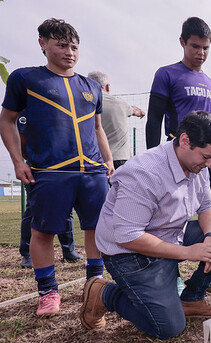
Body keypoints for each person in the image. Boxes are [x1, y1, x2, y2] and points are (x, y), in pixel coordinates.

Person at [81, 111, 211, 339]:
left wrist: (210, 237)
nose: (210, 164)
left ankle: (192, 299)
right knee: (168, 328)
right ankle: (104, 294)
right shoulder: (144, 173)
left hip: (170, 237)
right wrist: (188, 252)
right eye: (206, 156)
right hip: (129, 253)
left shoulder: (197, 166)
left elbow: (207, 205)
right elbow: (128, 236)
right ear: (185, 141)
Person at [0, 18, 114, 316]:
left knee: (96, 229)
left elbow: (98, 127)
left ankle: (95, 285)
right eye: (61, 45)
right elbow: (7, 119)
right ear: (43, 44)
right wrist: (17, 161)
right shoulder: (25, 79)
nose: (70, 52)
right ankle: (48, 292)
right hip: (50, 172)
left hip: (92, 172)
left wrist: (108, 160)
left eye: (74, 47)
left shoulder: (91, 87)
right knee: (43, 232)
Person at [145, 16, 211, 291]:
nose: (201, 53)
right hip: (179, 158)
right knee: (169, 217)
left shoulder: (210, 82)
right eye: (196, 46)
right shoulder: (167, 74)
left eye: (206, 48)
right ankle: (171, 275)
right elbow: (153, 119)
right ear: (182, 42)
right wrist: (155, 159)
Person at [16, 112, 83, 268]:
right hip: (38, 169)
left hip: (63, 168)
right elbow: (22, 144)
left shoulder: (60, 109)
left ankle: (68, 250)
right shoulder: (27, 110)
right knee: (33, 210)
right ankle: (27, 253)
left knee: (66, 209)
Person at [87, 71, 145, 169]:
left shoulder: (85, 105)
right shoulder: (120, 103)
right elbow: (134, 111)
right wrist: (141, 112)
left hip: (95, 159)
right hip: (121, 158)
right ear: (108, 87)